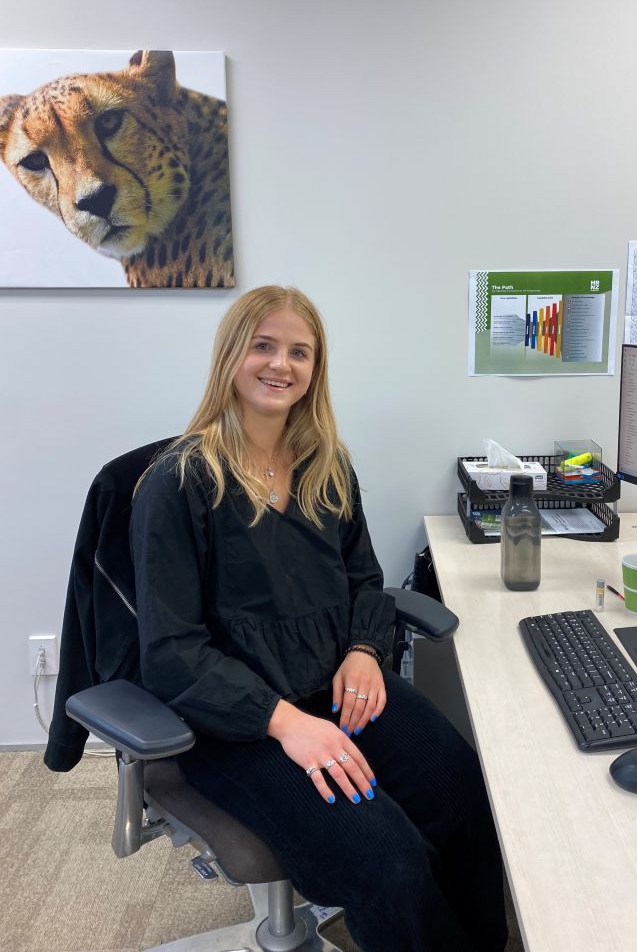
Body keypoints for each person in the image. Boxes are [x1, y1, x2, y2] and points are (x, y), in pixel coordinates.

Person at [131, 285, 508, 952]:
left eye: (299, 352)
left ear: (315, 368)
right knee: (386, 859)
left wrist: (364, 650)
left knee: (462, 789)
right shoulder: (180, 483)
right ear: (231, 356)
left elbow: (363, 579)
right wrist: (286, 723)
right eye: (264, 346)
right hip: (240, 723)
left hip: (334, 686)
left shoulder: (326, 466)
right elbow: (172, 652)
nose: (281, 364)